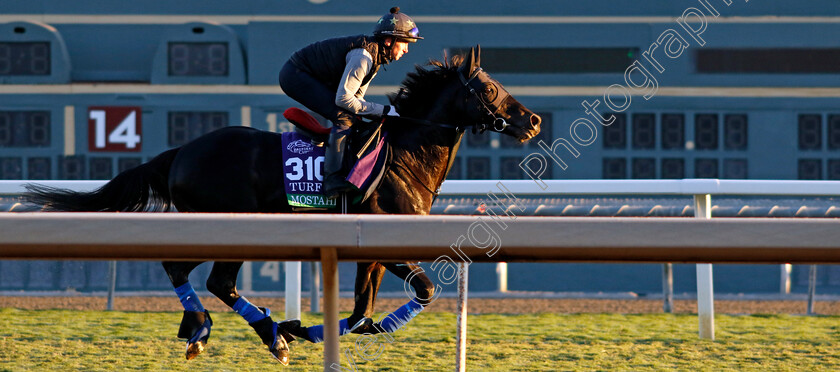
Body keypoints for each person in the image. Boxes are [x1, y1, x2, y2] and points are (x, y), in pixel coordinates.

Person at [278, 7, 422, 199]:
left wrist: (378, 113)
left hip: (310, 75)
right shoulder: (364, 57)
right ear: (389, 41)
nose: (406, 49)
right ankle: (332, 180)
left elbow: (358, 100)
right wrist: (385, 110)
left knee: (353, 118)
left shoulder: (377, 57)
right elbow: (344, 99)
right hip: (295, 74)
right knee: (343, 117)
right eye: (404, 43)